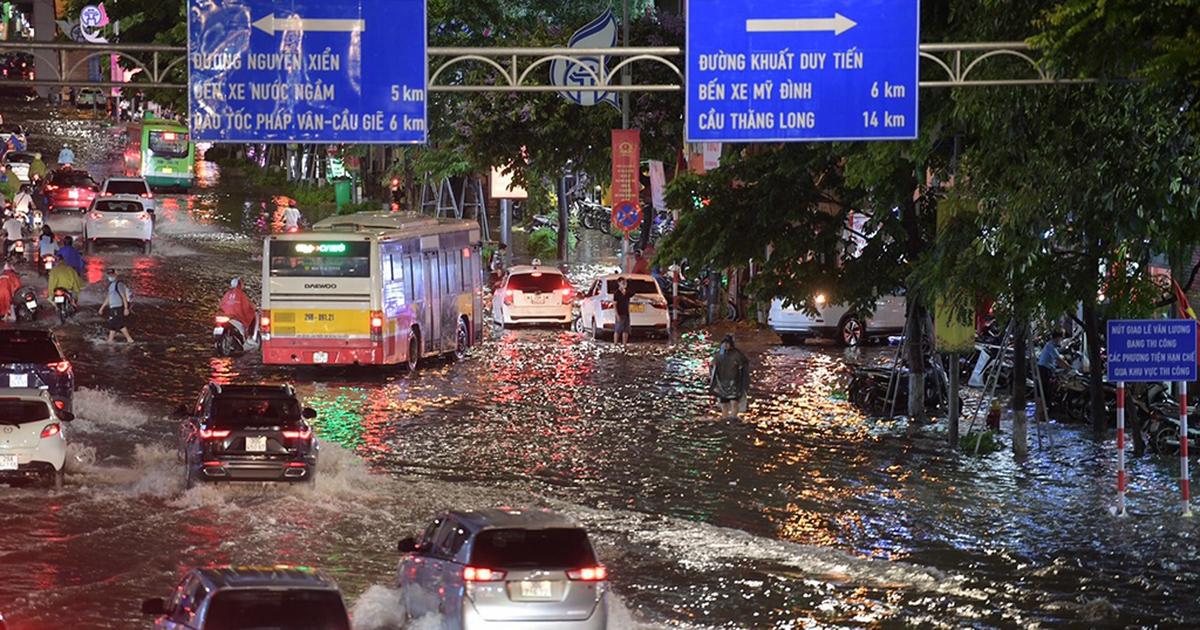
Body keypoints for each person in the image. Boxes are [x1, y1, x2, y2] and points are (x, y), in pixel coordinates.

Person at [709, 333, 751, 418]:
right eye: (724, 343)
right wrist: (712, 365)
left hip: (734, 382)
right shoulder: (719, 355)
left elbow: (745, 363)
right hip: (722, 383)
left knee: (734, 402)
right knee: (724, 404)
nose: (725, 345)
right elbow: (713, 365)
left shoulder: (737, 354)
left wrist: (740, 365)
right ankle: (725, 419)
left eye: (727, 343)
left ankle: (733, 418)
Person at [98, 268, 134, 343]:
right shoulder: (111, 286)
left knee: (116, 322)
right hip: (113, 307)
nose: (111, 276)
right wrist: (102, 308)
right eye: (109, 275)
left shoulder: (119, 284)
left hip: (118, 306)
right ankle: (111, 340)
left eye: (112, 274)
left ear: (116, 274)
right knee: (113, 323)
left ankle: (129, 339)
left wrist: (126, 308)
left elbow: (123, 296)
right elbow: (108, 297)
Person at [1037, 329, 1070, 407]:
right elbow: (1059, 361)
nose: (1062, 340)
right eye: (1062, 338)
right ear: (1058, 338)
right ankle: (1045, 408)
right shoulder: (1051, 346)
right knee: (1046, 390)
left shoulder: (1052, 346)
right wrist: (1070, 368)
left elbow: (1060, 358)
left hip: (1046, 368)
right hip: (1044, 369)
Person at [612, 277, 632, 345]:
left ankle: (624, 344)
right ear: (619, 283)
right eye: (623, 282)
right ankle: (615, 343)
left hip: (626, 313)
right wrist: (617, 315)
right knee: (617, 329)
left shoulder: (627, 292)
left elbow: (636, 295)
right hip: (620, 313)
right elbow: (614, 305)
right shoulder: (616, 293)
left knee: (626, 329)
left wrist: (650, 298)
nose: (624, 284)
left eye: (625, 282)